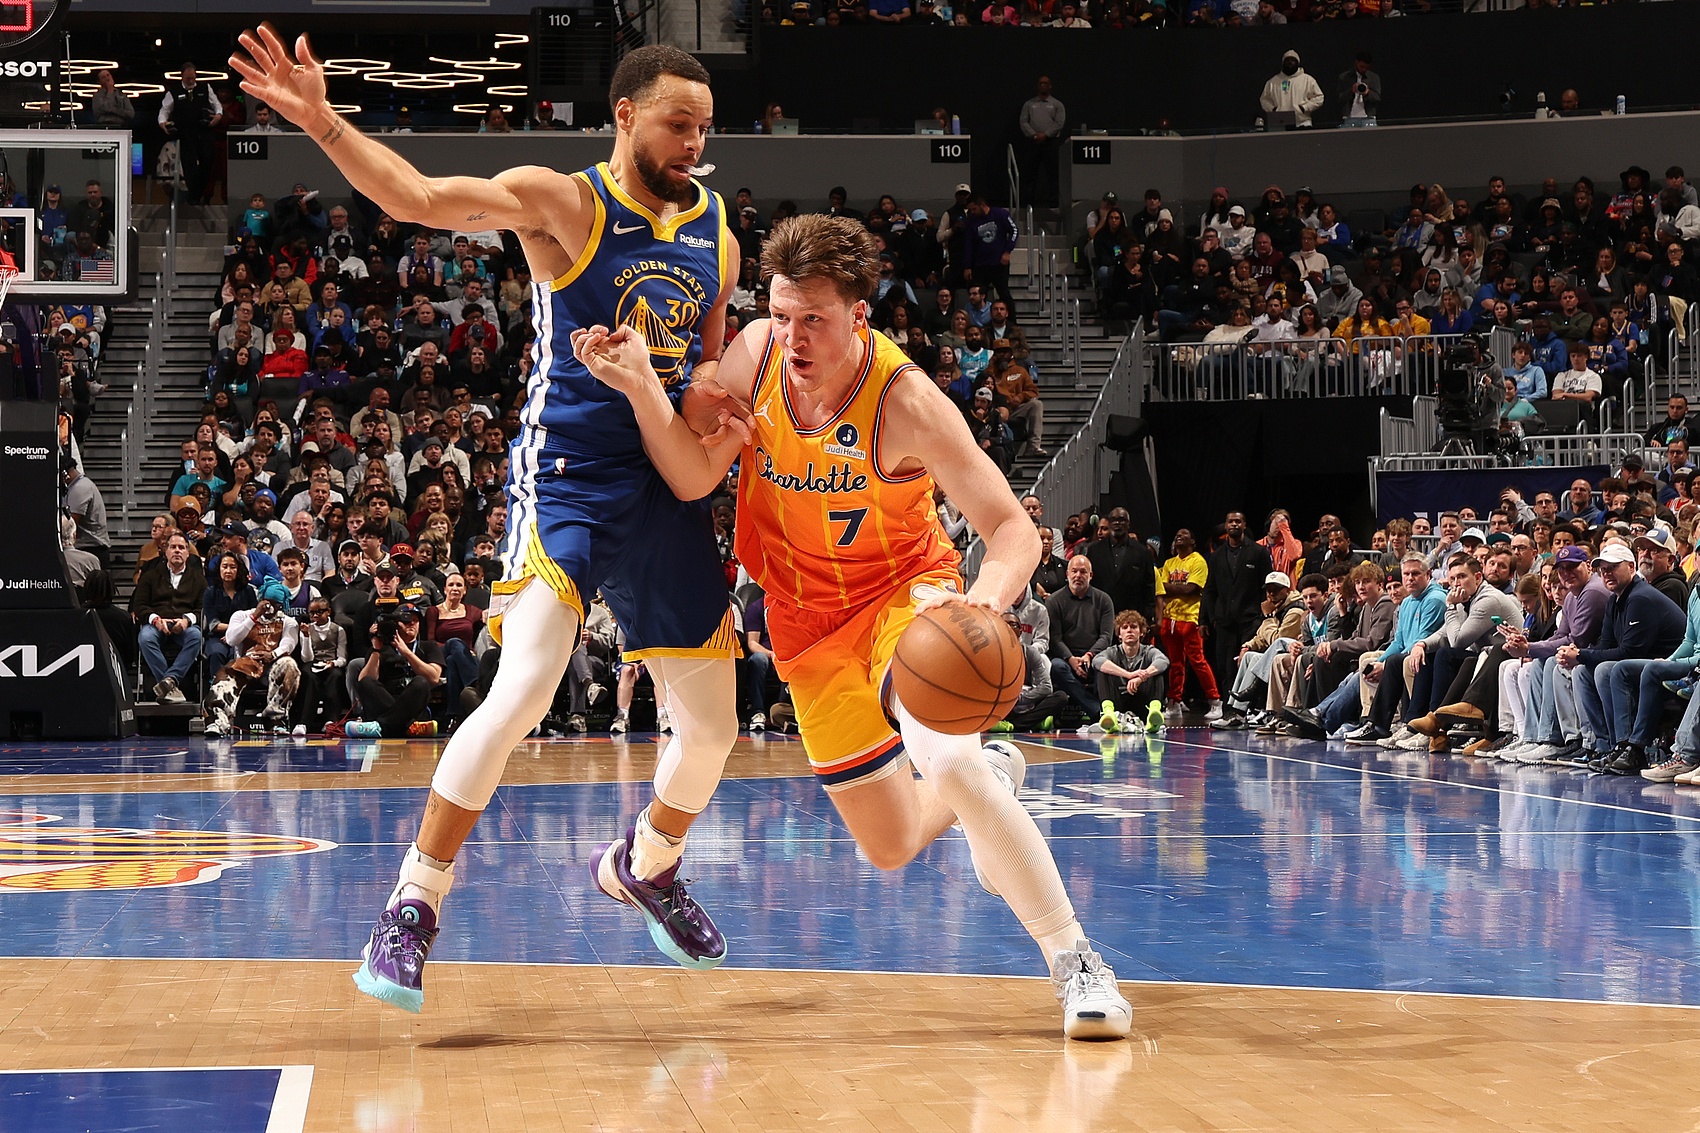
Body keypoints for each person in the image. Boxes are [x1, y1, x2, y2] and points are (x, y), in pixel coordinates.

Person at [232, 29, 743, 1011]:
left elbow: (707, 358)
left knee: (714, 729)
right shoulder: (564, 202)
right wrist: (324, 122)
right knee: (523, 691)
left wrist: (714, 391)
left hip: (664, 480)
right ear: (626, 115)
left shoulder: (714, 228)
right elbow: (419, 198)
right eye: (678, 124)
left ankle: (646, 862)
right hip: (571, 476)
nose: (693, 143)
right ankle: (413, 901)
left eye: (704, 128)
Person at [574, 213, 1132, 1040]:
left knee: (947, 757)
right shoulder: (756, 356)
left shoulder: (907, 401)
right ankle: (994, 774)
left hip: (905, 597)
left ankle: (1076, 961)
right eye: (782, 313)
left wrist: (983, 601)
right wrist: (641, 389)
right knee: (893, 843)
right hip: (805, 624)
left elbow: (1012, 529)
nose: (793, 336)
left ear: (859, 314)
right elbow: (691, 475)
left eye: (815, 319)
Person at [204, 579, 303, 738]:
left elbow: (288, 644)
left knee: (290, 665)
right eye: (268, 603)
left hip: (272, 664)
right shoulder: (241, 616)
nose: (271, 608)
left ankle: (276, 719)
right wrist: (255, 616)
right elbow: (231, 639)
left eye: (276, 604)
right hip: (246, 663)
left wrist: (273, 654)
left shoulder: (288, 622)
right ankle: (218, 722)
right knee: (222, 679)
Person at [131, 532, 208, 703]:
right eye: (173, 547)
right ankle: (170, 686)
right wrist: (155, 620)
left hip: (184, 624)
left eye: (181, 548)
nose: (177, 551)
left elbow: (203, 608)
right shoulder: (150, 576)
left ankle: (170, 680)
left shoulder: (198, 579)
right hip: (157, 623)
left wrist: (187, 620)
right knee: (145, 637)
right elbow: (140, 605)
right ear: (166, 551)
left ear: (188, 553)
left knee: (196, 637)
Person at [158, 63, 225, 205]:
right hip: (186, 133)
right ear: (182, 76)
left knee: (208, 161)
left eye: (193, 78)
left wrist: (218, 116)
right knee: (189, 167)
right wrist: (162, 122)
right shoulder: (173, 92)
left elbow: (217, 105)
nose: (191, 81)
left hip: (204, 131)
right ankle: (194, 197)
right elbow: (164, 110)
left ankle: (194, 194)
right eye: (188, 78)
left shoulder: (205, 88)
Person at [1018, 75, 1065, 209]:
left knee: (1053, 174)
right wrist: (1034, 135)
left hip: (1051, 143)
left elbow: (1059, 123)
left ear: (1050, 86)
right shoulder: (1029, 104)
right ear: (1037, 86)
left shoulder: (1057, 104)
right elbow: (1023, 121)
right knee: (1029, 174)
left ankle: (1054, 202)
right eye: (1040, 83)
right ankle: (1028, 202)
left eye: (1045, 83)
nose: (1043, 85)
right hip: (1033, 143)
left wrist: (1046, 135)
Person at [1259, 50, 1324, 130]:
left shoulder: (1307, 80)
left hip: (1302, 123)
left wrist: (1304, 108)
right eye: (1287, 60)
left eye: (1293, 60)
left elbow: (1319, 97)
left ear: (1298, 63)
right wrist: (1273, 110)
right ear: (1283, 63)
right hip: (1280, 123)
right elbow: (1264, 99)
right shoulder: (1272, 82)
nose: (1290, 62)